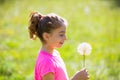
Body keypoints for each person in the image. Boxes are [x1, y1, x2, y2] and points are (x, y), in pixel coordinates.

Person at [28, 12, 89, 80]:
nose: (65, 38)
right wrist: (76, 78)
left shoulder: (54, 54)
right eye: (61, 34)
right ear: (46, 36)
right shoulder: (46, 63)